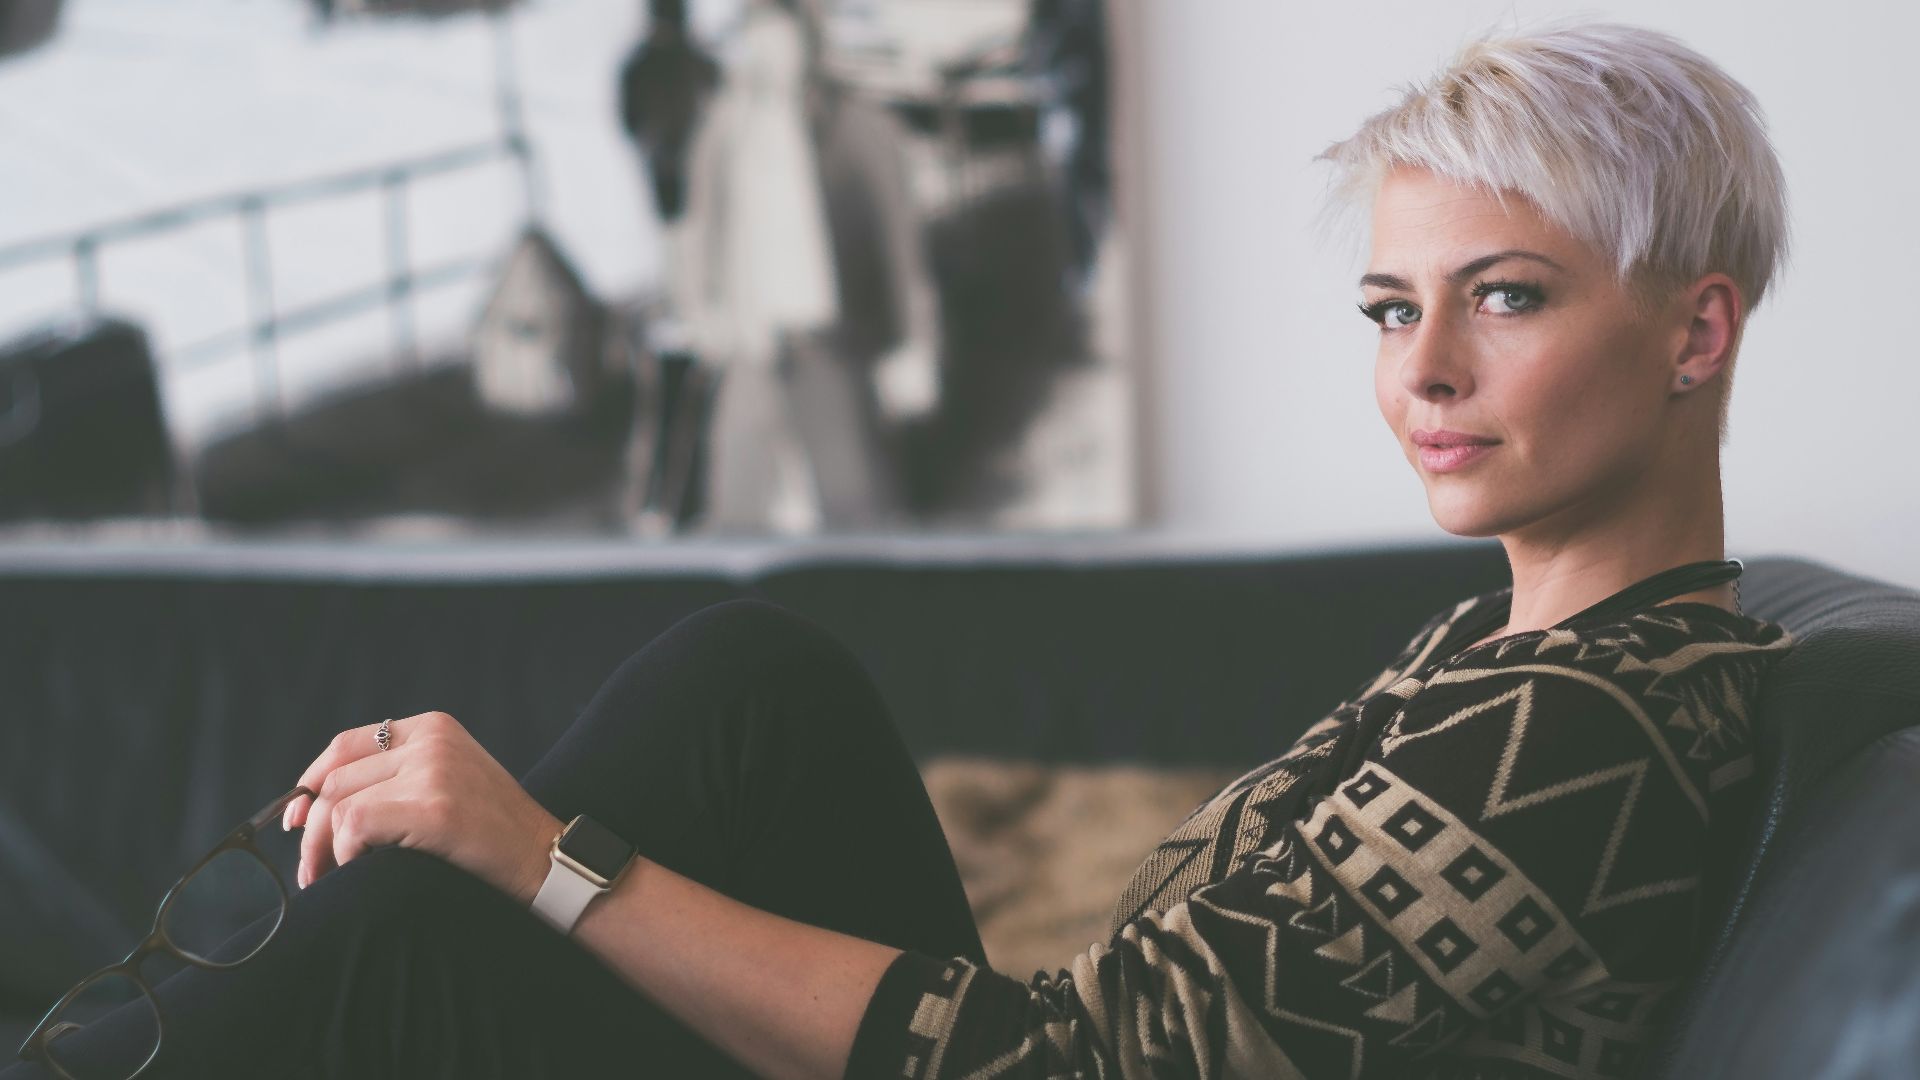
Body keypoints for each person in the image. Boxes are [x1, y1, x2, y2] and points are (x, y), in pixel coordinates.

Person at [9, 16, 1798, 1079]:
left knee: (438, 927)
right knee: (751, 681)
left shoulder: (1592, 735)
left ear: (1694, 332)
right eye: (1392, 306)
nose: (1423, 371)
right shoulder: (1508, 652)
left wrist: (551, 859)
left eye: (1505, 300)